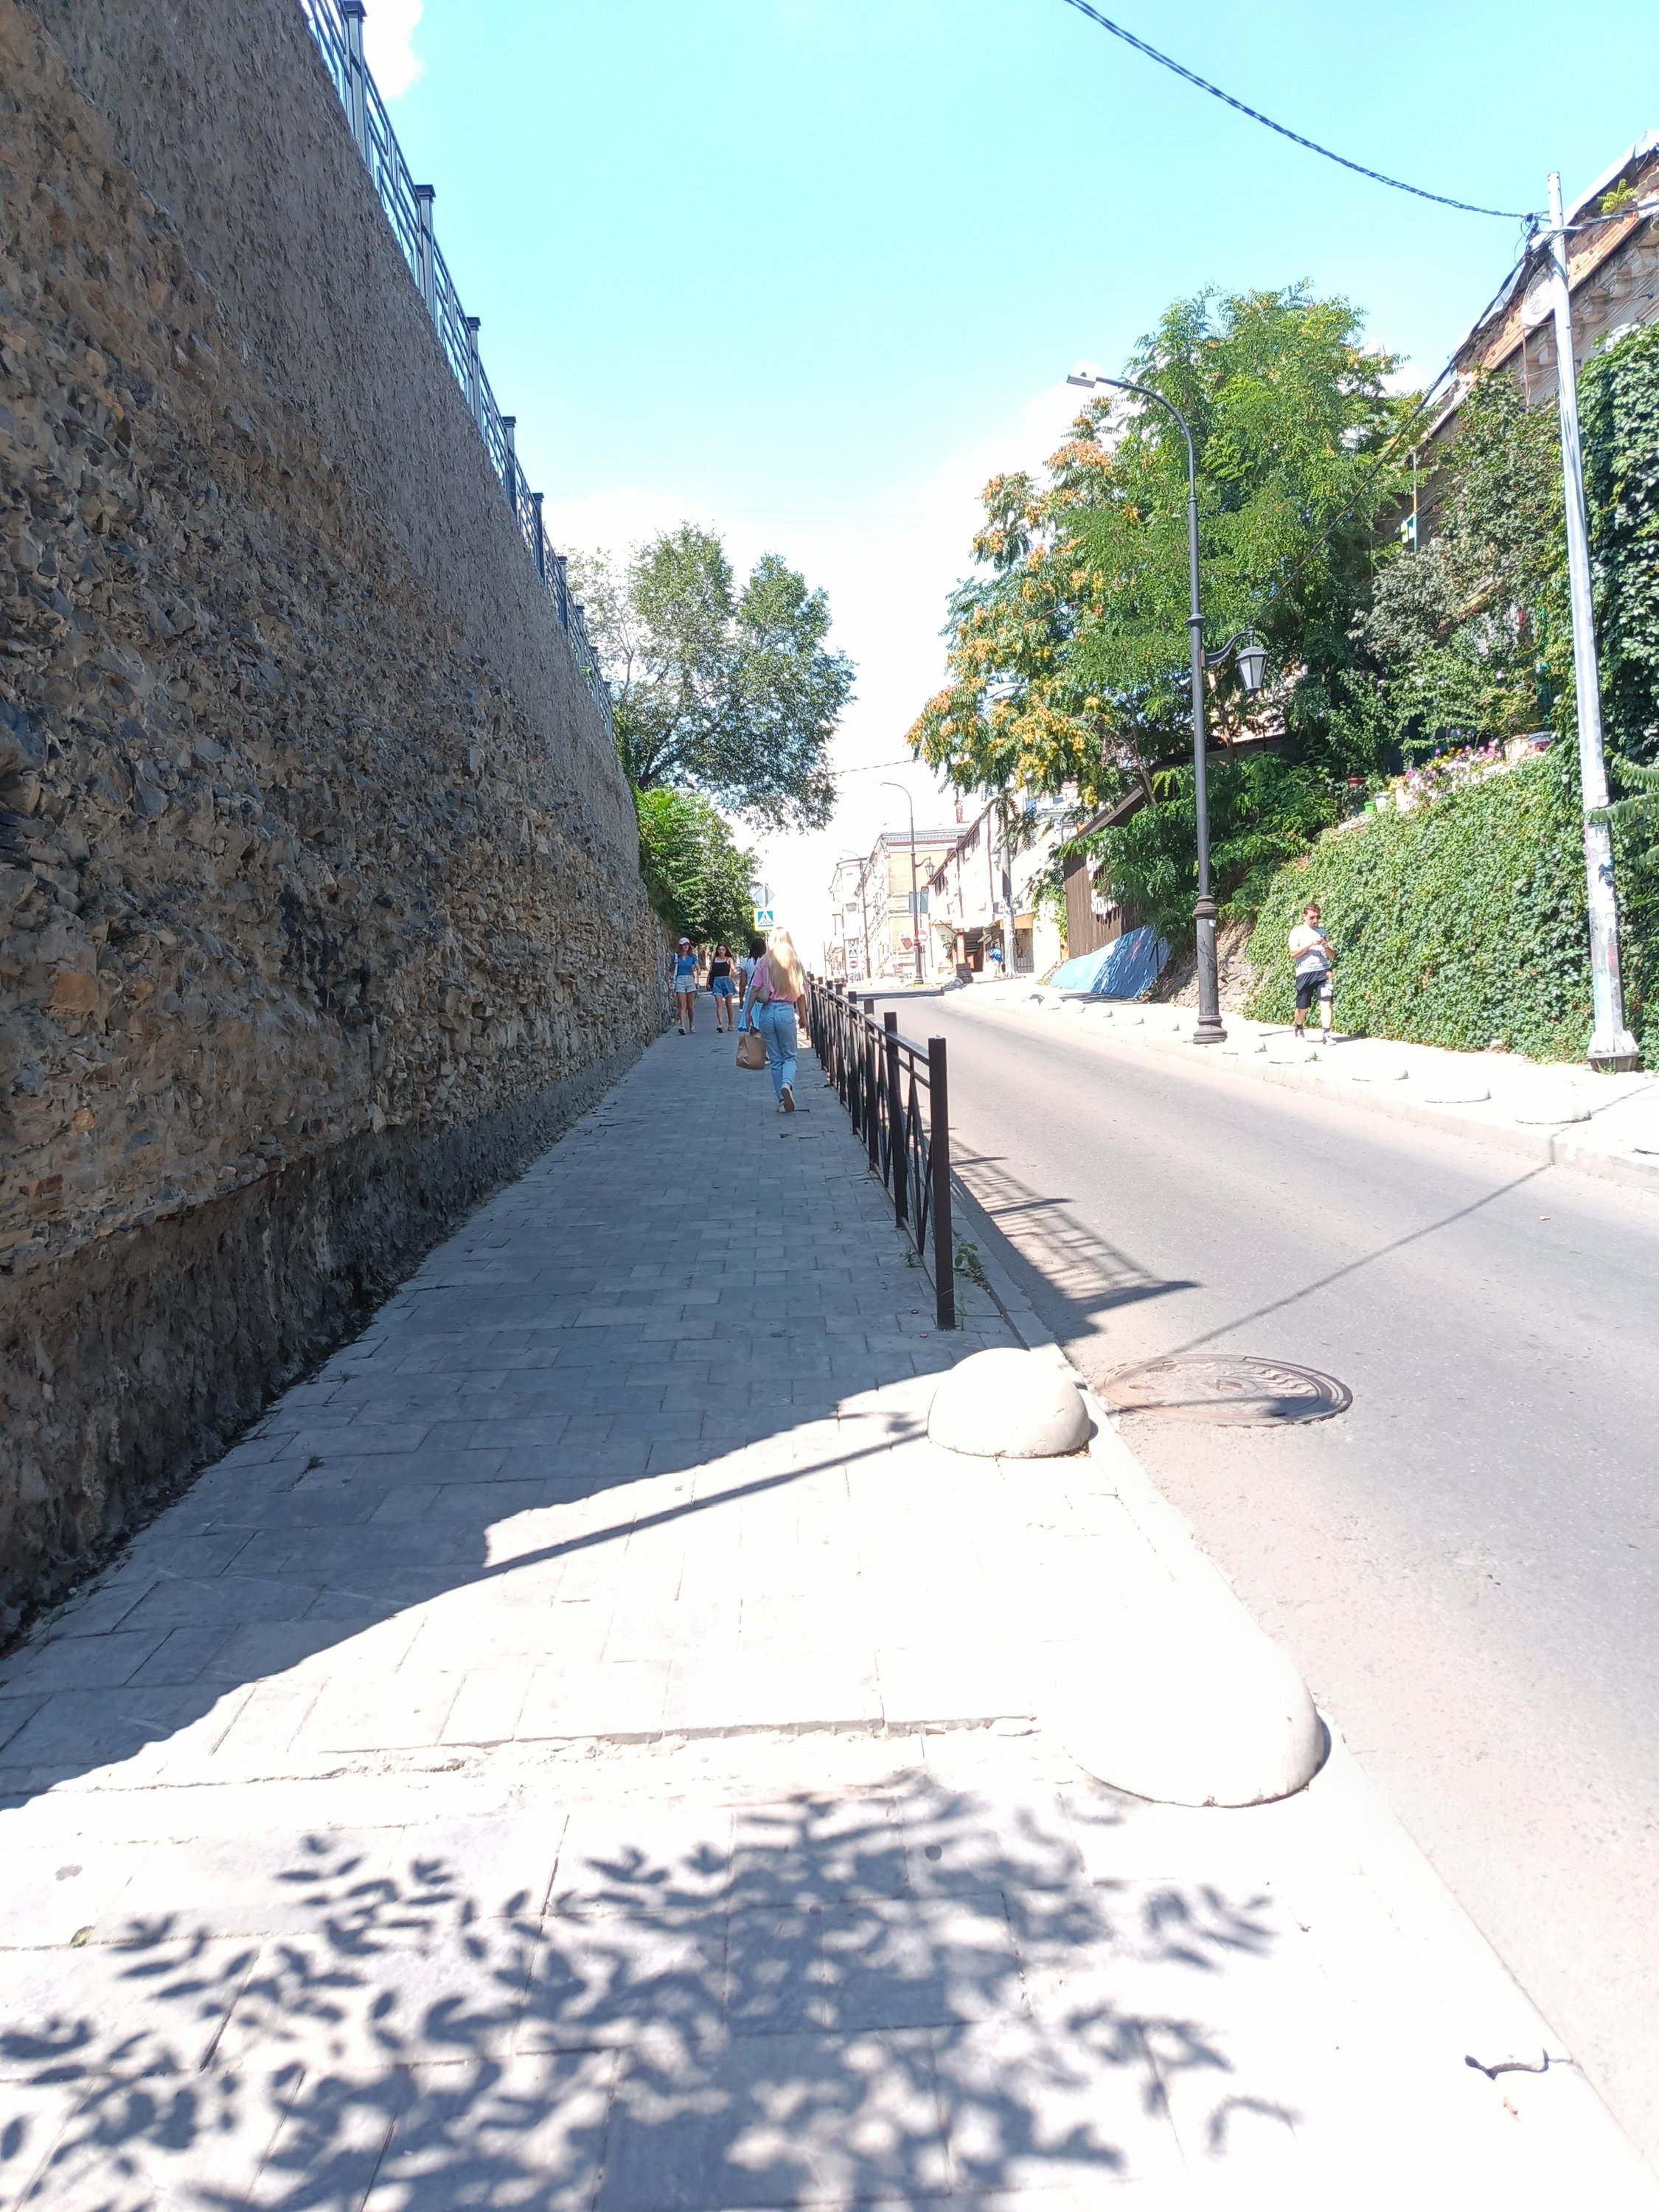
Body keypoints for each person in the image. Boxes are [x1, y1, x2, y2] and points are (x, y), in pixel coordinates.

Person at [742, 928, 807, 1113]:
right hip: (786, 1011)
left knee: (776, 1059)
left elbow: (755, 989)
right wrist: (803, 1017)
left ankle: (781, 1100)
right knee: (790, 1056)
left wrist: (747, 1013)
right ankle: (787, 1084)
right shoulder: (795, 962)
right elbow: (801, 995)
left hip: (767, 1012)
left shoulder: (764, 961)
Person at [1288, 900, 1335, 1044]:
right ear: (1304, 916)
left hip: (1324, 971)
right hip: (1305, 972)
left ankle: (1326, 1034)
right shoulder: (1297, 932)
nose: (1315, 920)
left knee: (1327, 1002)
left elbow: (1332, 956)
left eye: (1317, 917)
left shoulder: (1322, 933)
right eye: (1312, 917)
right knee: (1303, 1008)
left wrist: (1326, 945)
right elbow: (1293, 953)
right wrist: (1310, 945)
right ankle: (1299, 1026)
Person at [708, 942, 738, 1032]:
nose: (721, 951)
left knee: (729, 1004)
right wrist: (708, 983)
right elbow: (711, 972)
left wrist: (733, 974)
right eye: (719, 949)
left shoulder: (729, 959)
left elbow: (734, 969)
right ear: (717, 950)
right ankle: (720, 1024)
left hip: (727, 981)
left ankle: (731, 1023)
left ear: (726, 951)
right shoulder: (714, 960)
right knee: (719, 1003)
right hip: (717, 982)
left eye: (723, 949)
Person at [672, 936, 699, 1034]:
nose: (686, 946)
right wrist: (674, 964)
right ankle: (682, 1026)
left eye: (687, 944)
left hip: (689, 980)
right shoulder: (676, 956)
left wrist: (698, 969)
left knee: (690, 1006)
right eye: (684, 944)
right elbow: (670, 969)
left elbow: (697, 965)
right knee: (682, 1005)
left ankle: (691, 1025)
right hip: (680, 979)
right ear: (680, 946)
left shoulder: (692, 957)